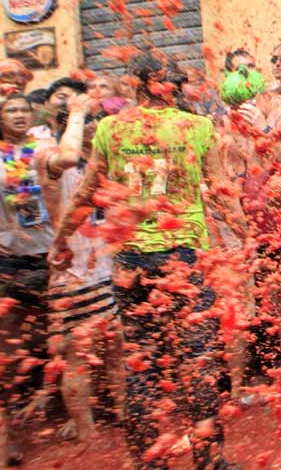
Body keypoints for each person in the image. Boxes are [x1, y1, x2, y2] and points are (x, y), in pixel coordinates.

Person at [48, 50, 247, 470]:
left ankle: (147, 463)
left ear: (134, 84)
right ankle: (211, 461)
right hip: (184, 258)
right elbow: (222, 188)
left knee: (141, 365)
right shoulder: (196, 126)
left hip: (131, 261)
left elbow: (86, 194)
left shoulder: (110, 128)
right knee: (196, 360)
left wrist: (61, 240)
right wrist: (246, 237)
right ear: (174, 86)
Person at [40, 93, 125, 441]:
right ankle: (87, 436)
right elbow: (70, 154)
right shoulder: (50, 158)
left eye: (99, 119)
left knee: (117, 348)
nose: (96, 125)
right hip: (74, 276)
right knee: (78, 355)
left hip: (108, 272)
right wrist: (76, 110)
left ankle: (123, 420)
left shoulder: (107, 162)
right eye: (90, 120)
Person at [0, 93, 57, 467]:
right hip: (11, 259)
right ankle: (12, 433)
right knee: (10, 354)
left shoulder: (44, 147)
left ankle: (75, 413)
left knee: (61, 341)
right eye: (10, 110)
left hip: (51, 255)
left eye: (22, 110)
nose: (18, 115)